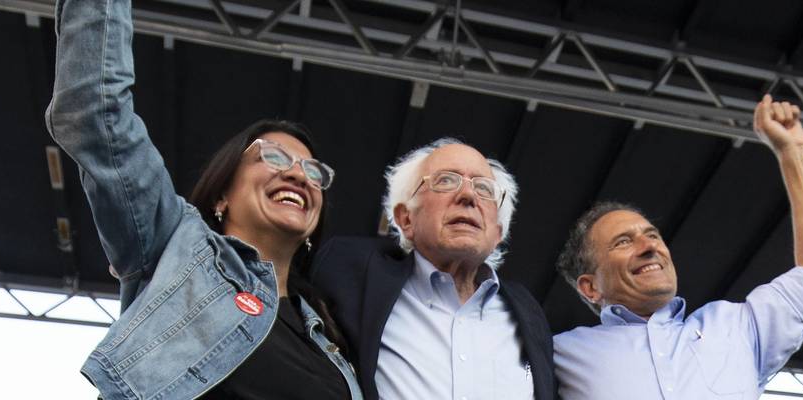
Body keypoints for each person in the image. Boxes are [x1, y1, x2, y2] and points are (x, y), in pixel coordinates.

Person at [46, 0, 361, 398]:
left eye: (314, 172)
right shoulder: (176, 248)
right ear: (222, 195)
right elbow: (94, 111)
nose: (299, 175)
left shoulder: (328, 337)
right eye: (274, 157)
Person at [552, 96, 803, 399]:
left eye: (653, 235)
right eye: (623, 242)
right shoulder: (558, 355)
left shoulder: (737, 328)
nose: (649, 247)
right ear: (590, 287)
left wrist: (792, 152)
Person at [311, 138, 557, 399]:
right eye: (446, 180)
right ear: (406, 219)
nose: (468, 196)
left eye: (484, 188)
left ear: (497, 233)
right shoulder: (351, 271)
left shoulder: (528, 313)